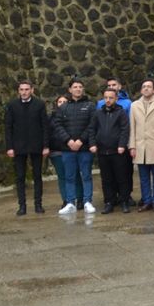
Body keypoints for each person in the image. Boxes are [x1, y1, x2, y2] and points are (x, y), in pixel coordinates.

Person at [3, 80, 50, 216]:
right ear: (18, 91)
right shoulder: (12, 105)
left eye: (26, 89)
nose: (24, 92)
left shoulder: (39, 104)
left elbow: (45, 126)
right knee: (20, 176)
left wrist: (46, 145)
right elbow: (8, 127)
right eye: (21, 89)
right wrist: (9, 147)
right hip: (18, 146)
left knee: (37, 175)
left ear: (32, 90)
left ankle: (38, 204)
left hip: (36, 145)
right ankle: (22, 205)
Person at [52, 79, 96, 216]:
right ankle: (70, 202)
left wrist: (81, 141)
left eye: (80, 87)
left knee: (86, 175)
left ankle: (87, 201)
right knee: (69, 176)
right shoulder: (63, 107)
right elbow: (58, 125)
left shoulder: (90, 106)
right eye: (75, 87)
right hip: (68, 149)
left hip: (84, 148)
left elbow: (92, 125)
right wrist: (69, 141)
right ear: (70, 90)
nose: (78, 89)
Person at [89, 85, 131, 213]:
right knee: (106, 179)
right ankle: (109, 202)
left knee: (121, 177)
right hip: (102, 151)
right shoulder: (98, 113)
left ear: (116, 99)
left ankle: (124, 201)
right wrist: (92, 144)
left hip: (118, 151)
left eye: (111, 98)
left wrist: (122, 145)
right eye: (106, 98)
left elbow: (125, 130)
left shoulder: (121, 112)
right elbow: (92, 129)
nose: (108, 100)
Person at [129, 79, 154, 212]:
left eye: (148, 86)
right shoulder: (134, 105)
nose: (146, 88)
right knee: (143, 177)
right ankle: (146, 201)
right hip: (140, 146)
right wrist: (132, 146)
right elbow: (132, 127)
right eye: (143, 86)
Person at [49, 94, 70, 210]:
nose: (62, 104)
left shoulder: (73, 116)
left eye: (64, 101)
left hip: (70, 150)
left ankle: (77, 198)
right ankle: (65, 199)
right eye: (60, 102)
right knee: (62, 176)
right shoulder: (51, 118)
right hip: (56, 151)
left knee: (73, 176)